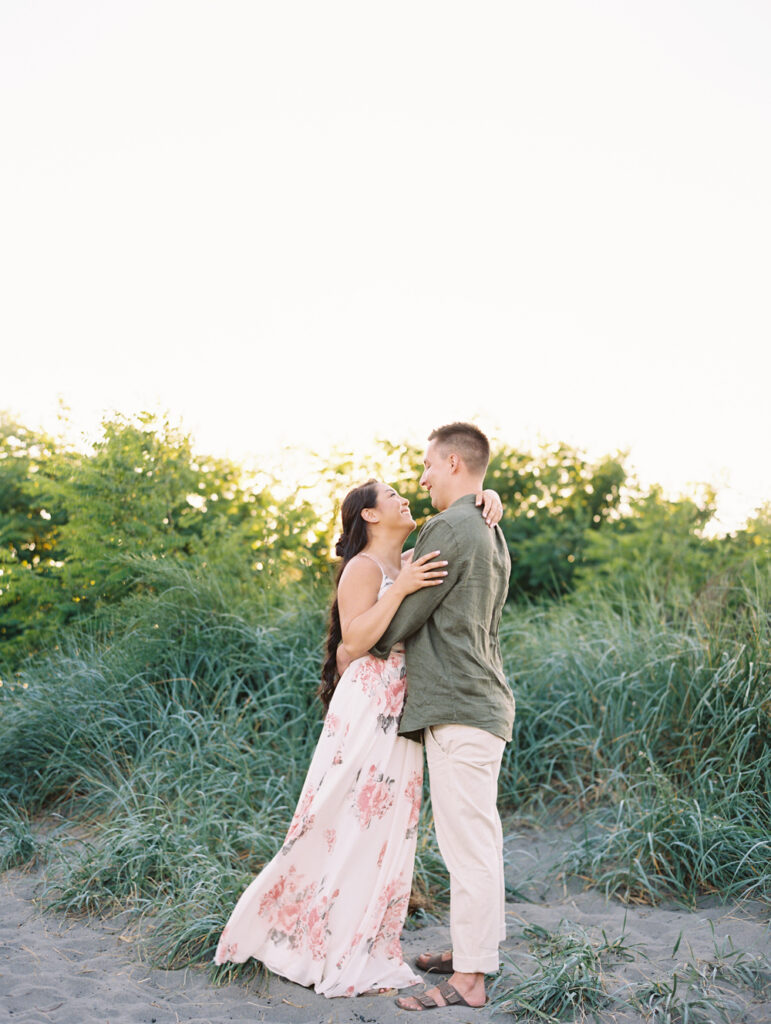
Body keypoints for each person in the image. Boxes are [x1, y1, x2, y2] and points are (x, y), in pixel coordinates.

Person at [213, 476, 503, 997]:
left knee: (388, 832)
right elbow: (356, 640)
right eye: (391, 495)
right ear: (369, 515)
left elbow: (459, 541)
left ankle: (367, 937)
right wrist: (405, 589)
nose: (404, 497)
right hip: (369, 706)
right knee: (340, 819)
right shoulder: (363, 569)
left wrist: (489, 498)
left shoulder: (410, 557)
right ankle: (305, 932)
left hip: (405, 711)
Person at [367, 423, 515, 1012]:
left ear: (454, 463)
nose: (422, 476)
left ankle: (472, 980)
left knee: (469, 847)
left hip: (460, 706)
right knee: (479, 840)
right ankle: (471, 952)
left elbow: (400, 625)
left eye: (428, 464)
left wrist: (376, 617)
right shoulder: (489, 527)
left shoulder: (448, 527)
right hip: (480, 703)